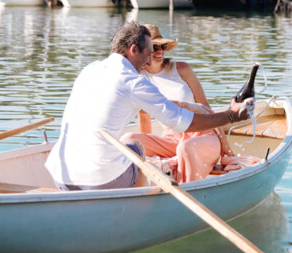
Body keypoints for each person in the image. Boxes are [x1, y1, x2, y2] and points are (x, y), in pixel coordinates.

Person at [45, 21, 253, 191]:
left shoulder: (90, 69)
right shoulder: (135, 82)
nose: (149, 58)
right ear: (134, 49)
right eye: (149, 51)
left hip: (60, 176)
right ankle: (142, 213)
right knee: (134, 146)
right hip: (99, 180)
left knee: (156, 147)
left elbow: (199, 109)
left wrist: (225, 141)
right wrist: (232, 116)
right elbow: (180, 121)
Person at [121, 24, 234, 183]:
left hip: (202, 135)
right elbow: (144, 120)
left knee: (185, 148)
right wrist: (152, 155)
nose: (160, 51)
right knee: (129, 139)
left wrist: (227, 150)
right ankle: (138, 186)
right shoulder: (140, 80)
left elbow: (206, 107)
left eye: (163, 46)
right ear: (145, 50)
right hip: (172, 139)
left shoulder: (181, 68)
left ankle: (184, 193)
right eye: (155, 47)